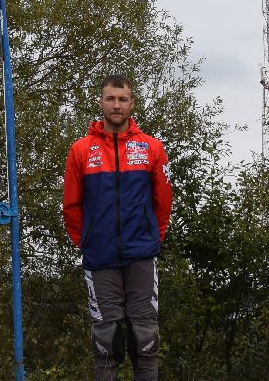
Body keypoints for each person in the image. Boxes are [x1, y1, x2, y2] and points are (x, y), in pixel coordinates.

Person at [62, 74, 172, 381]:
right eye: (110, 98)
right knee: (106, 340)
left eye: (122, 99)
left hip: (141, 255)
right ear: (101, 102)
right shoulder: (81, 150)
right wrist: (87, 242)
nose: (116, 105)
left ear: (132, 104)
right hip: (100, 258)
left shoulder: (151, 148)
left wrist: (152, 239)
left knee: (145, 337)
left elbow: (163, 201)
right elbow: (71, 205)